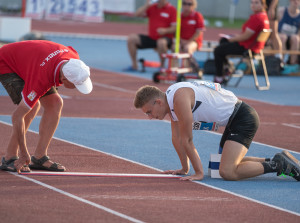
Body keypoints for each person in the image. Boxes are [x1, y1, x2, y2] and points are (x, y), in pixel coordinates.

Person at [133, 81, 300, 181]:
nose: (150, 117)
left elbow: (187, 140)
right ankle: (276, 158)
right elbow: (176, 138)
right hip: (232, 121)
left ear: (158, 102)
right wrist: (184, 169)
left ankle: (279, 165)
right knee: (216, 168)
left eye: (149, 112)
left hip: (243, 118)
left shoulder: (179, 99)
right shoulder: (170, 101)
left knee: (227, 172)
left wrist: (198, 173)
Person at [0, 40, 93, 173]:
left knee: (55, 103)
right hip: (7, 61)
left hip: (33, 62)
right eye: (76, 84)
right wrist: (24, 152)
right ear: (65, 78)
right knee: (31, 108)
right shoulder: (41, 78)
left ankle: (39, 157)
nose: (77, 88)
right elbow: (17, 116)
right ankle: (9, 157)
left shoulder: (74, 59)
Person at [213, 0, 270, 84]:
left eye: (256, 2)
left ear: (263, 5)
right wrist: (233, 37)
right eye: (252, 2)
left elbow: (245, 36)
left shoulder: (257, 18)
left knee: (218, 50)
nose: (253, 5)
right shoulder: (264, 17)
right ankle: (227, 68)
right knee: (223, 42)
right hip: (255, 48)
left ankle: (220, 76)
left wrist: (230, 39)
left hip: (247, 48)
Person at [126, 0, 176, 71]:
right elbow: (136, 14)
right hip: (152, 38)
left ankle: (162, 67)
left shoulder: (172, 9)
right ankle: (134, 65)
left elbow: (175, 28)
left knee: (161, 42)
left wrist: (165, 30)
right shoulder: (152, 7)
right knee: (131, 38)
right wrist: (146, 6)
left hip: (165, 39)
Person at [278, 0, 300, 65]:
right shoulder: (281, 11)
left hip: (293, 41)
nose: (296, 2)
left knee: (295, 38)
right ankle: (281, 62)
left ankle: (292, 64)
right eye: (294, 0)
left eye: (298, 0)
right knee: (283, 37)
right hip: (281, 39)